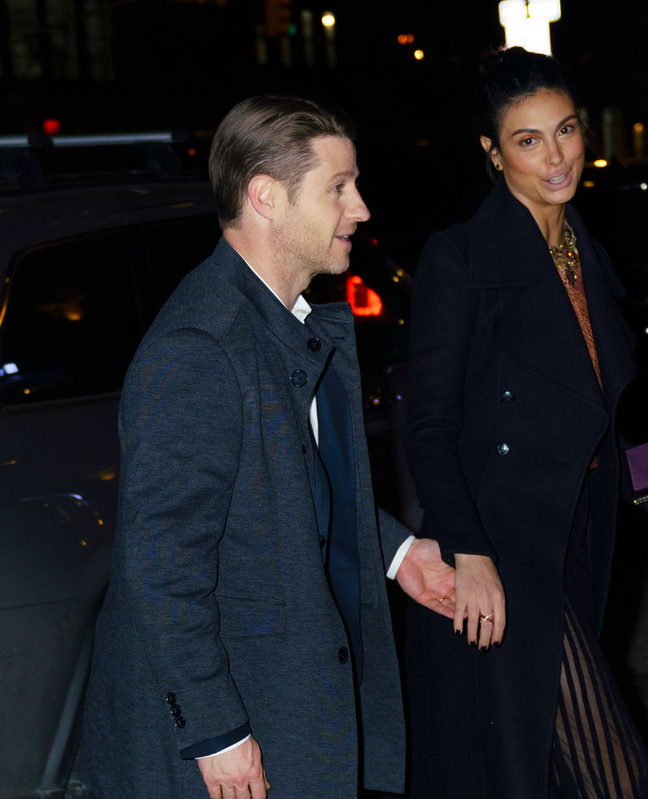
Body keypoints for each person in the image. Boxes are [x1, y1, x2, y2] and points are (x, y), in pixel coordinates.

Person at [73, 95, 456, 799]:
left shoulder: (286, 322)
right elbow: (161, 566)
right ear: (266, 197)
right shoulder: (201, 345)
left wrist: (398, 552)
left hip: (288, 703)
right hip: (228, 732)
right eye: (338, 187)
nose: (362, 207)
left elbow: (290, 489)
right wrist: (216, 731)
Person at [402, 48, 648, 799]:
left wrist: (646, 481)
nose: (557, 155)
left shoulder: (584, 253)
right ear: (492, 152)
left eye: (565, 130)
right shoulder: (460, 259)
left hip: (572, 542)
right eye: (529, 140)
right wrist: (467, 552)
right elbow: (427, 427)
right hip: (500, 553)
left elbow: (582, 426)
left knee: (556, 776)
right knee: (614, 774)